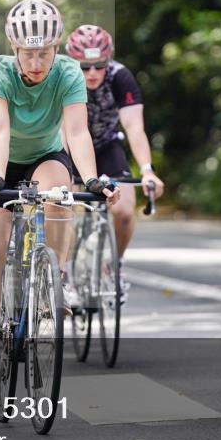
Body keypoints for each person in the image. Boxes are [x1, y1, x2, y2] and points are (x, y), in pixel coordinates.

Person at [0, 0, 119, 400]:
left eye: (44, 53)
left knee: (61, 194)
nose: (36, 62)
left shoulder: (67, 71)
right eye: (28, 54)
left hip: (44, 157)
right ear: (14, 50)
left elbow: (77, 131)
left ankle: (54, 281)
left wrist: (93, 178)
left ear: (57, 49)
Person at [64, 24, 165, 305]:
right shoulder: (60, 77)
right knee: (63, 209)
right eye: (85, 67)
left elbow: (134, 127)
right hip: (68, 146)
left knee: (123, 212)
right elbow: (61, 130)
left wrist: (147, 170)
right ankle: (64, 274)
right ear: (73, 63)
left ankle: (114, 265)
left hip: (107, 146)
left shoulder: (120, 76)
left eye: (99, 65)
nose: (93, 73)